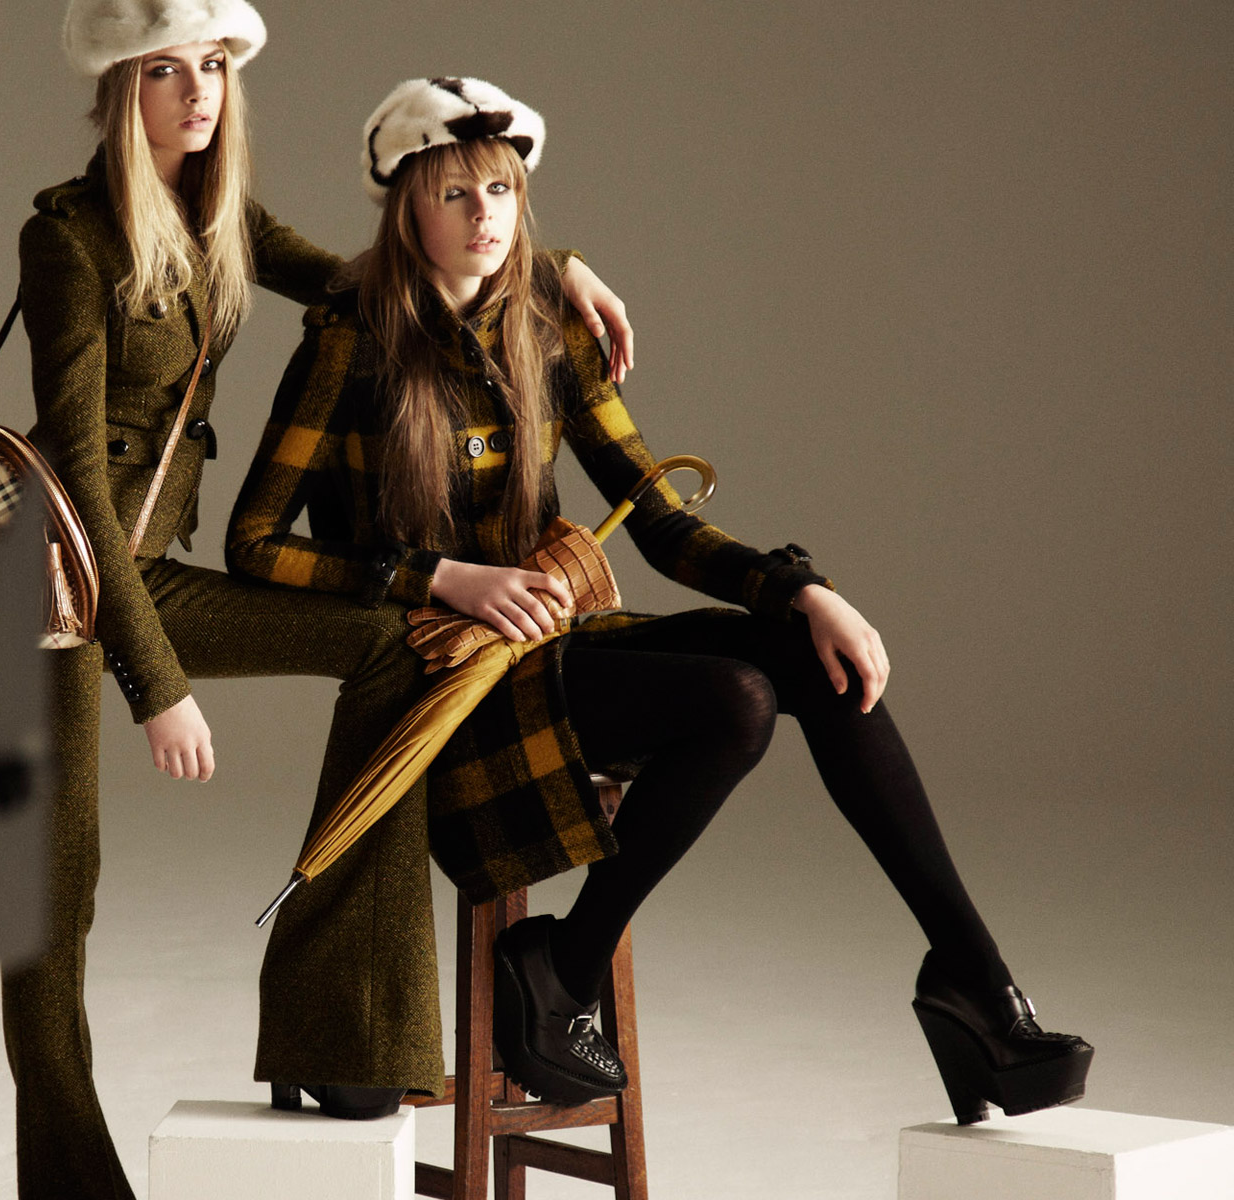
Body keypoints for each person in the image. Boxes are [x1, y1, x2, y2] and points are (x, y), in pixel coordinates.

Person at [228, 75, 1091, 1122]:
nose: (484, 216)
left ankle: (974, 983)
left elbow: (659, 518)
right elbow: (254, 543)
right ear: (406, 206)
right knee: (734, 700)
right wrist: (439, 576)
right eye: (454, 193)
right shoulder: (350, 342)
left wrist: (803, 591)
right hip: (444, 688)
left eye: (500, 190)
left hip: (552, 654)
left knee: (809, 659)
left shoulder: (546, 327)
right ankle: (566, 967)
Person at [6, 8, 635, 1196]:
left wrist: (555, 268)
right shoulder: (69, 241)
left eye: (213, 66)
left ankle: (342, 1021)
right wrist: (160, 687)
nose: (198, 91)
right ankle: (70, 1181)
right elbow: (81, 488)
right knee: (54, 893)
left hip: (145, 572)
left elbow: (379, 275)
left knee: (397, 642)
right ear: (120, 86)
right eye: (165, 69)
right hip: (49, 590)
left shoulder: (218, 216)